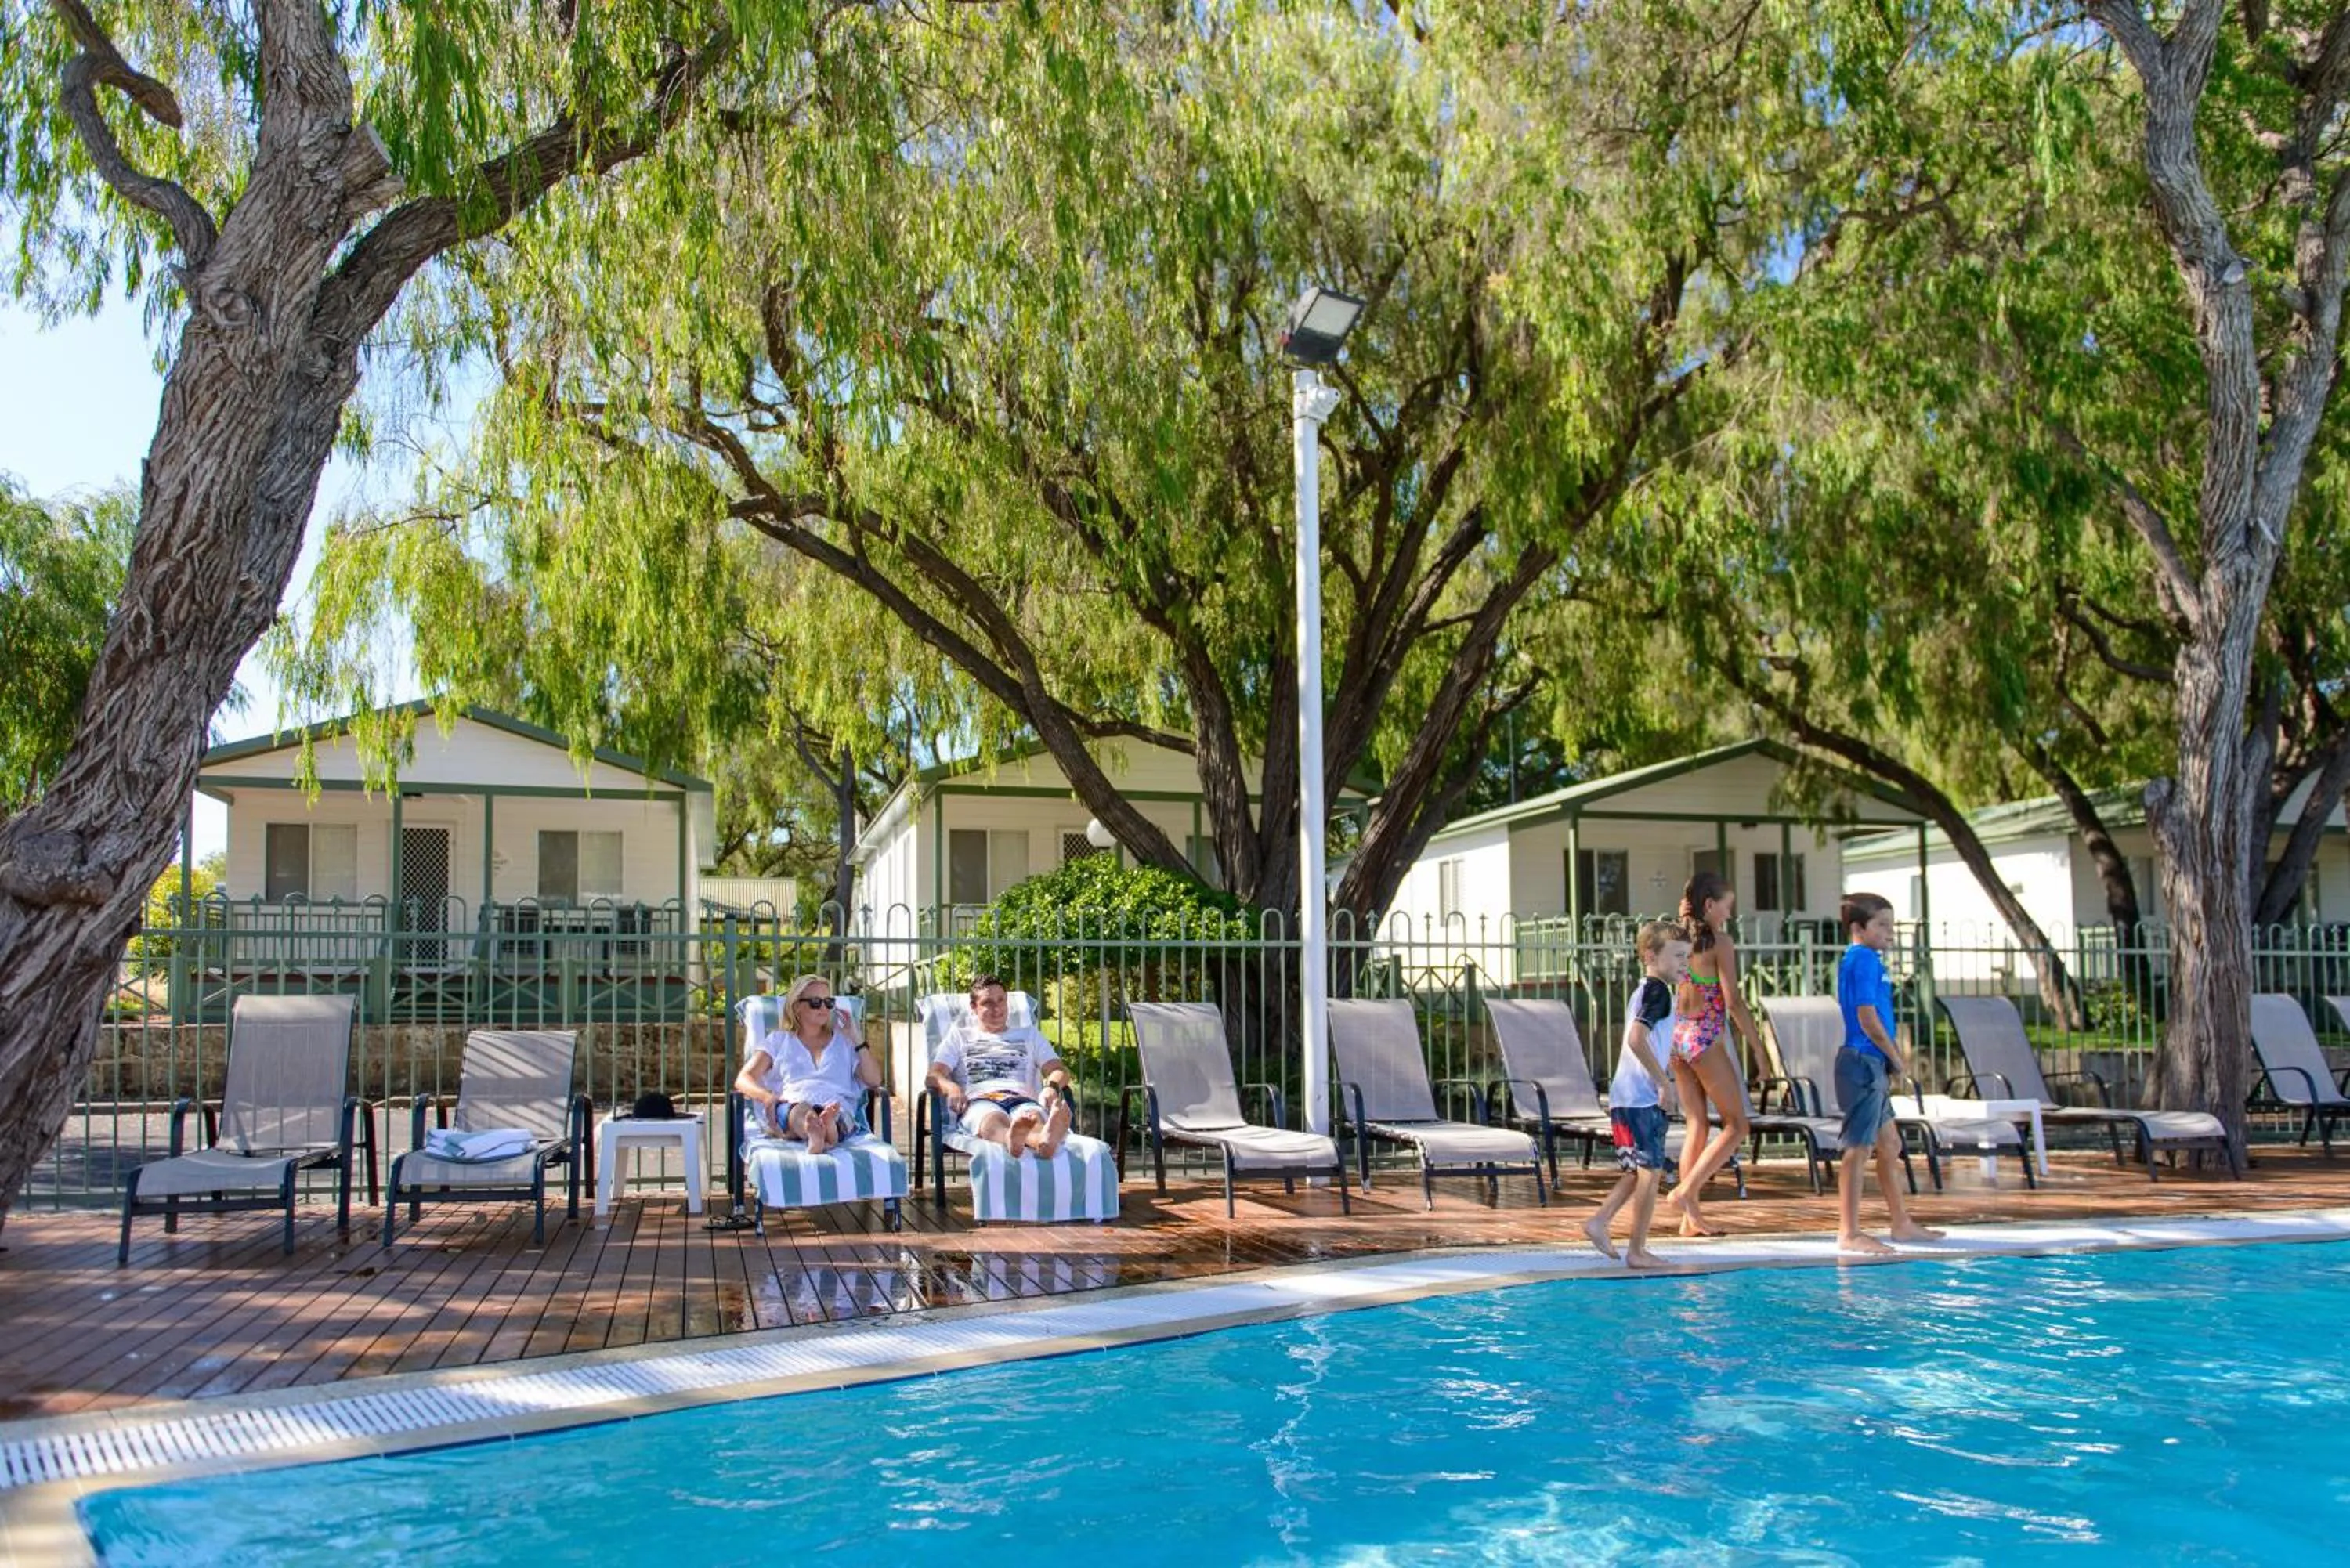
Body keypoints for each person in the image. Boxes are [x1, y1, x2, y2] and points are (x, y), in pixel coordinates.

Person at [1833, 892, 1943, 1255]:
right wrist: (1896, 1056)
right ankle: (1848, 1232)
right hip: (1864, 1061)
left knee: (1890, 1144)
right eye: (1882, 925)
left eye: (1892, 926)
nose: (1890, 933)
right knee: (1859, 1147)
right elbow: (1867, 1017)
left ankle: (1901, 1222)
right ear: (1858, 928)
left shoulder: (1860, 958)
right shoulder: (1864, 959)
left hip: (1867, 1062)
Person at [1582, 919, 1690, 1269]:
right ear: (1650, 955)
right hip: (1642, 1097)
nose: (1683, 964)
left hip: (1626, 1095)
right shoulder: (1658, 991)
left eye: (1686, 957)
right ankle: (1638, 1251)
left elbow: (1645, 1040)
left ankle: (1599, 1222)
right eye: (1677, 956)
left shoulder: (1645, 989)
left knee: (1637, 1170)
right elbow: (1636, 1040)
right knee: (1650, 1171)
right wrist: (1664, 1082)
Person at [1660, 870, 1759, 1237]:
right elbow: (1733, 1002)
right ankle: (1685, 1192)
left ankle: (1691, 1219)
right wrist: (1760, 1052)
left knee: (1697, 1125)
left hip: (1678, 1039)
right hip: (1705, 1039)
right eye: (1726, 907)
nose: (1729, 915)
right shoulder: (1720, 941)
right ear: (1709, 904)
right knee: (1737, 1125)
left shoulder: (1675, 937)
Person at [925, 974, 1073, 1158]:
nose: (997, 1009)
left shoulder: (1029, 1035)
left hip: (1022, 1098)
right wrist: (952, 1088)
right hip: (981, 1100)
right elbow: (933, 1076)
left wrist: (1051, 1087)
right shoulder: (960, 1036)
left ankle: (1044, 1141)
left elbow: (1058, 1070)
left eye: (1001, 1000)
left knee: (1033, 1117)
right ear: (974, 1007)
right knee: (993, 1121)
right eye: (988, 1003)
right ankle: (1013, 1137)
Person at [734, 973, 881, 1157]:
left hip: (836, 1105)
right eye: (815, 1002)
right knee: (801, 1111)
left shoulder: (845, 1042)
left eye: (828, 1002)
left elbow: (874, 1080)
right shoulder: (779, 1040)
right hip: (793, 1103)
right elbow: (744, 1079)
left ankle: (824, 1131)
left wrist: (857, 1038)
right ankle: (819, 1130)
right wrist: (767, 1097)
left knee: (836, 1115)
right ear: (797, 1007)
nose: (824, 1008)